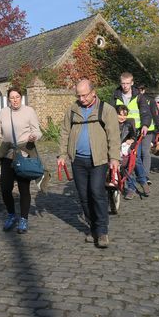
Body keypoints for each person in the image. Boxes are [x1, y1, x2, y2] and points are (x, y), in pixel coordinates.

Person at [58, 79, 120, 248]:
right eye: (78, 95)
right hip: (77, 160)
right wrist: (62, 154)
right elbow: (64, 132)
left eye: (84, 95)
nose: (81, 99)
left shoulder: (106, 110)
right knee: (84, 196)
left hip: (99, 160)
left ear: (93, 92)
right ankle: (92, 228)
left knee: (96, 192)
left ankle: (102, 232)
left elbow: (114, 136)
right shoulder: (72, 110)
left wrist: (114, 158)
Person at [0, 86, 45, 234]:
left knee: (23, 189)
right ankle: (11, 214)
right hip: (7, 154)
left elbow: (37, 130)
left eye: (17, 97)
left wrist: (34, 136)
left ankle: (23, 219)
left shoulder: (29, 111)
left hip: (24, 154)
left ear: (21, 97)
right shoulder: (4, 112)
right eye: (12, 98)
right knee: (5, 188)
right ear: (8, 99)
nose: (15, 100)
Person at [111, 72, 151, 195]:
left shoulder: (139, 96)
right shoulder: (115, 96)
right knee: (125, 160)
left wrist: (145, 125)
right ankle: (131, 187)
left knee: (135, 158)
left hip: (134, 132)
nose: (125, 86)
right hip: (118, 131)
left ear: (132, 83)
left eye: (127, 83)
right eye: (123, 83)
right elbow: (109, 112)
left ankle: (142, 182)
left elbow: (145, 113)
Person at [115, 105, 138, 200]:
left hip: (124, 150)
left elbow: (134, 136)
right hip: (113, 149)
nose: (122, 117)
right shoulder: (110, 124)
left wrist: (131, 140)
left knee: (128, 168)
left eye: (125, 115)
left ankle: (131, 188)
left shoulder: (128, 124)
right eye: (120, 115)